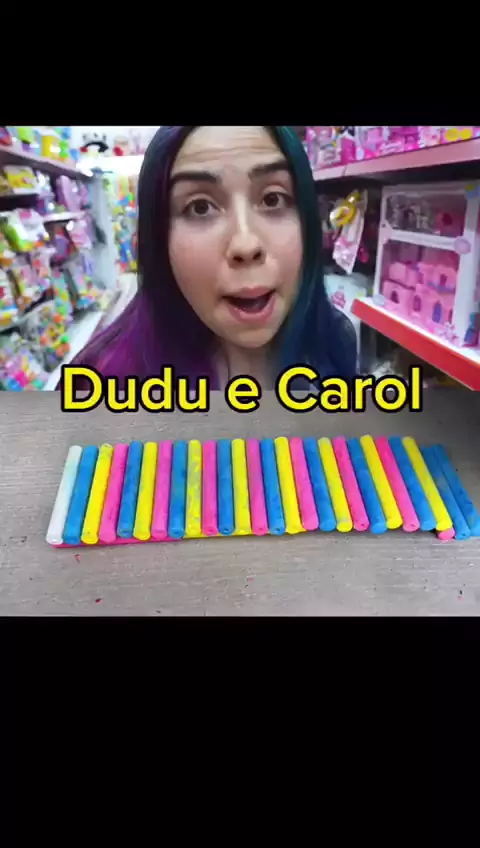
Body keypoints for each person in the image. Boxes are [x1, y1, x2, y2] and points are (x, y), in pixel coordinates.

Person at [67, 126, 357, 391]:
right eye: (200, 207)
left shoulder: (334, 340)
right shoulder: (102, 385)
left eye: (272, 199)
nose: (246, 245)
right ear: (158, 239)